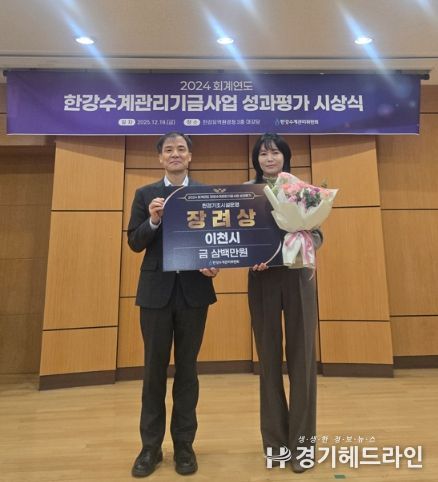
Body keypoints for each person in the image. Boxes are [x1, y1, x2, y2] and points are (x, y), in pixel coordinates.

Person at [127, 132, 218, 478]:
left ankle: (184, 446)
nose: (175, 154)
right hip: (155, 293)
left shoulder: (206, 194)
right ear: (160, 158)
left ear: (190, 156)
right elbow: (135, 242)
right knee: (153, 372)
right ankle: (150, 448)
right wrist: (153, 221)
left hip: (194, 293)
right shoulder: (145, 195)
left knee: (187, 371)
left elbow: (215, 240)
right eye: (169, 150)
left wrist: (214, 262)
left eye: (181, 149)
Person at [247, 133, 322, 473]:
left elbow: (317, 233)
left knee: (303, 362)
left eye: (275, 152)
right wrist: (250, 255)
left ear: (285, 157)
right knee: (268, 362)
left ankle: (302, 446)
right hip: (262, 279)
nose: (269, 158)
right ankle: (276, 445)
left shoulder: (301, 190)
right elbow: (239, 236)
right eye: (263, 153)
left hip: (297, 276)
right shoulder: (246, 193)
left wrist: (302, 238)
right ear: (256, 160)